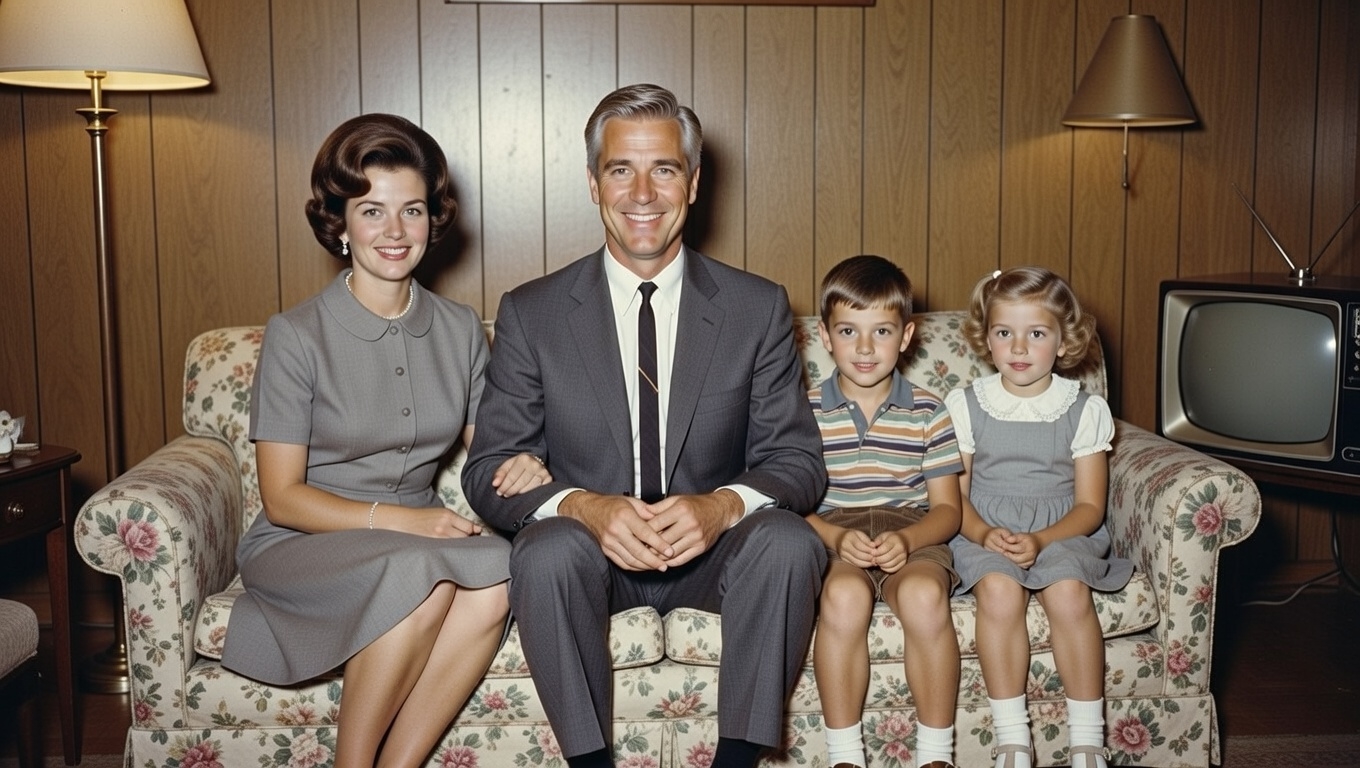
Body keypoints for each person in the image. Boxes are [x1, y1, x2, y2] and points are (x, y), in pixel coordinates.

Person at [462, 83, 828, 768]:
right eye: (619, 169)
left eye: (663, 169)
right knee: (545, 552)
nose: (642, 193)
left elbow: (799, 463)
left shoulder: (757, 307)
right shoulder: (532, 313)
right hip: (590, 557)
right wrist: (580, 505)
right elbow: (487, 471)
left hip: (714, 557)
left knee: (789, 543)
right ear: (594, 185)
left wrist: (721, 507)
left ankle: (738, 761)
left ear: (692, 183)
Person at [222, 113, 551, 768]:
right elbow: (283, 498)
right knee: (417, 573)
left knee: (501, 576)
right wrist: (408, 522)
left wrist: (526, 458)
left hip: (410, 542)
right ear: (340, 224)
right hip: (302, 542)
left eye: (412, 211)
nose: (394, 232)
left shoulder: (459, 329)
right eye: (372, 211)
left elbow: (492, 445)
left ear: (435, 219)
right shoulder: (296, 334)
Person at [944, 267, 1133, 768]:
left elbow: (1091, 507)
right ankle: (1012, 738)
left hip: (1063, 527)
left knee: (1069, 592)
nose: (1020, 347)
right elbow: (952, 499)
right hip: (983, 527)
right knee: (1000, 591)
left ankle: (1088, 741)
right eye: (1005, 333)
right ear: (987, 338)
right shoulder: (965, 405)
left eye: (1037, 333)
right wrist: (984, 532)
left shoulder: (1084, 408)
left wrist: (1044, 539)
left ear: (1064, 340)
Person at [804, 255, 963, 768]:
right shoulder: (800, 413)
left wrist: (910, 541)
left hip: (912, 532)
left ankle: (936, 755)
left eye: (882, 331)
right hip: (834, 534)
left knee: (921, 595)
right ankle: (845, 756)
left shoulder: (928, 410)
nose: (866, 348)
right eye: (849, 331)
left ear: (907, 335)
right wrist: (831, 536)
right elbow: (784, 504)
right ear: (825, 336)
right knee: (845, 597)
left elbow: (947, 512)